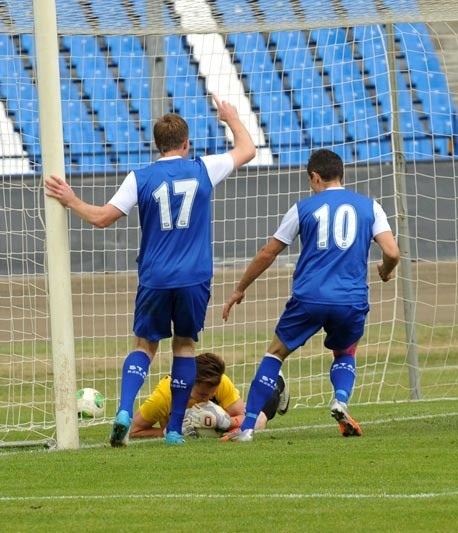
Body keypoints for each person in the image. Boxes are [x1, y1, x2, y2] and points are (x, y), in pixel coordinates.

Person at [43, 96, 256, 446]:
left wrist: (70, 199)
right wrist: (230, 117)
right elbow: (247, 149)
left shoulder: (140, 178)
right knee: (185, 347)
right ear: (186, 144)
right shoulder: (204, 168)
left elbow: (102, 218)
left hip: (155, 277)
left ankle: (125, 411)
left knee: (144, 346)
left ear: (156, 145)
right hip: (194, 277)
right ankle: (173, 431)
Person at [220, 148, 400, 442]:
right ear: (342, 175)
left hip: (310, 297)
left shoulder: (303, 208)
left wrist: (241, 288)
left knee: (275, 354)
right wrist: (385, 269)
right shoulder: (370, 207)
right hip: (350, 299)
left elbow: (269, 252)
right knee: (345, 352)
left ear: (315, 177)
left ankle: (248, 427)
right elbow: (392, 252)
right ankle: (340, 400)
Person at [129, 352, 290, 439]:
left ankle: (277, 384)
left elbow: (242, 416)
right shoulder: (164, 395)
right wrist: (168, 431)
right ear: (190, 381)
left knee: (259, 419)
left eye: (212, 393)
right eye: (202, 394)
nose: (208, 398)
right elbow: (133, 431)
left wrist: (225, 422)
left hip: (220, 427)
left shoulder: (221, 382)